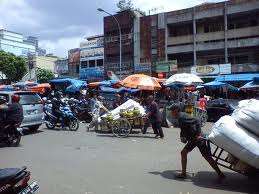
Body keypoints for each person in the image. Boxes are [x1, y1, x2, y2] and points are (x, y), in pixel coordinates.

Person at [171, 104, 225, 181]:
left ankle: (220, 174)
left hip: (198, 138)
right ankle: (183, 173)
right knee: (183, 152)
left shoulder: (182, 117)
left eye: (172, 111)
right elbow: (184, 129)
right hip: (193, 139)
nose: (171, 113)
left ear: (176, 110)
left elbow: (197, 120)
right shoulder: (181, 117)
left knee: (207, 157)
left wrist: (199, 134)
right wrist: (183, 137)